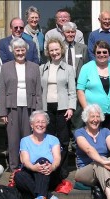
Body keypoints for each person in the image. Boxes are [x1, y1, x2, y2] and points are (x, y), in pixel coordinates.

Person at [0, 37, 42, 172]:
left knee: (28, 138)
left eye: (22, 50)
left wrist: (38, 112)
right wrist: (2, 111)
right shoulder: (5, 67)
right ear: (12, 51)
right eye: (17, 50)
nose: (20, 53)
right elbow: (2, 90)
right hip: (12, 108)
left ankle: (27, 166)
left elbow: (38, 90)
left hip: (30, 108)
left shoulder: (35, 67)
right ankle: (14, 168)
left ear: (26, 50)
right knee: (13, 139)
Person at [40, 38, 76, 180]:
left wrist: (71, 107)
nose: (54, 52)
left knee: (63, 139)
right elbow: (40, 89)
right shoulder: (42, 68)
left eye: (56, 49)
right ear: (48, 52)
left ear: (61, 50)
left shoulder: (68, 69)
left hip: (62, 107)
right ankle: (50, 166)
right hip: (47, 107)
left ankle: (62, 168)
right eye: (51, 50)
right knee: (48, 138)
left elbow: (72, 90)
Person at [77, 40, 110, 145]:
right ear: (94, 53)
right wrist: (87, 109)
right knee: (93, 139)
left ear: (109, 53)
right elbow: (80, 90)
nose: (102, 55)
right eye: (98, 52)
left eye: (104, 52)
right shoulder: (86, 68)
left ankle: (109, 160)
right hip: (93, 113)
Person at [14, 110, 64, 199]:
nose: (40, 124)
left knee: (42, 161)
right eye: (37, 122)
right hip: (31, 174)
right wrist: (34, 167)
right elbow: (25, 160)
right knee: (18, 176)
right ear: (32, 125)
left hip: (50, 174)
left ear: (47, 124)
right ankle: (49, 197)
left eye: (43, 122)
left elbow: (57, 158)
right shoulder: (25, 140)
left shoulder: (53, 139)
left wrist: (52, 167)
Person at [62, 21, 89, 148]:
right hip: (63, 86)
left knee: (77, 116)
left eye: (73, 32)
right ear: (63, 33)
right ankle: (66, 143)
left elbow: (87, 66)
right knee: (64, 116)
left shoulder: (82, 48)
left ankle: (76, 144)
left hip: (78, 86)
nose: (70, 34)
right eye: (68, 32)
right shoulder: (59, 47)